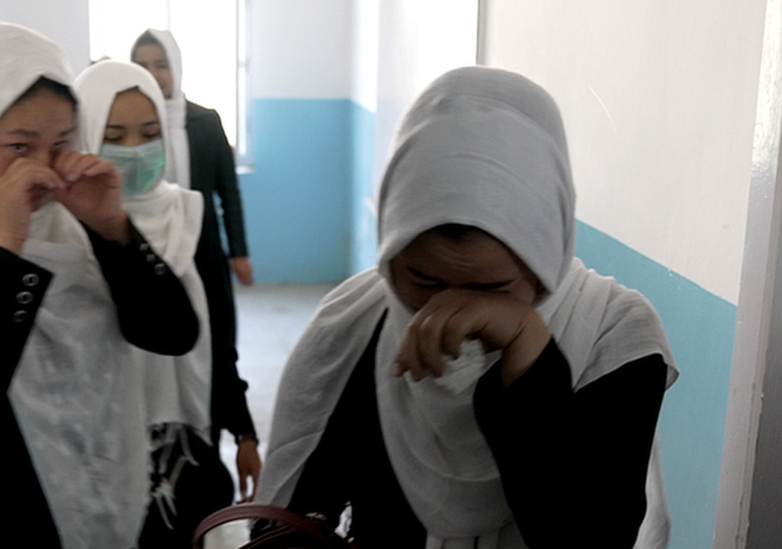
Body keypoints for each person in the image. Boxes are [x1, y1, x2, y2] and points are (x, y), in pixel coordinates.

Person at [255, 66, 679, 549]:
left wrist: (528, 355)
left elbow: (587, 535)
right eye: (423, 280)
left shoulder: (614, 337)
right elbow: (287, 518)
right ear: (390, 255)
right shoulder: (354, 324)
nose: (452, 311)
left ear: (547, 256)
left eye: (492, 288)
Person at [0, 19, 198, 548]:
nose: (44, 167)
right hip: (2, 519)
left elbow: (172, 333)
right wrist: (6, 243)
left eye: (62, 141)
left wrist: (113, 228)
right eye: (19, 147)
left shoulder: (73, 224)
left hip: (110, 490)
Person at [74, 59, 236, 549]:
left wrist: (243, 429)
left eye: (148, 134)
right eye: (115, 135)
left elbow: (219, 327)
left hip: (180, 436)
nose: (135, 150)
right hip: (99, 439)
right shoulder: (66, 228)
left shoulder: (188, 211)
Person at [131, 29, 261, 501]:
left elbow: (229, 192)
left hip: (201, 255)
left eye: (160, 62)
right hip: (149, 253)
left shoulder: (205, 122)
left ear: (176, 66)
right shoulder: (130, 131)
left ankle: (207, 452)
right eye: (141, 63)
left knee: (211, 347)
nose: (152, 72)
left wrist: (238, 251)